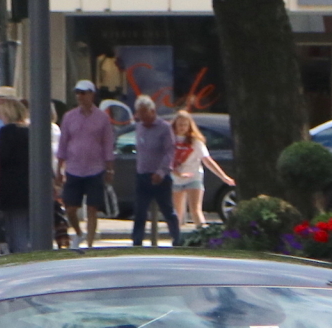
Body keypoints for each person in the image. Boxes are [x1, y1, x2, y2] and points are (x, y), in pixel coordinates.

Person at [54, 81, 117, 250]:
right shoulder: (69, 117)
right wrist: (59, 168)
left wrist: (109, 168)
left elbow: (107, 144)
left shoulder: (102, 118)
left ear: (91, 94)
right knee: (70, 208)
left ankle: (89, 244)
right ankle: (79, 233)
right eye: (78, 93)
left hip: (95, 169)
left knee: (92, 208)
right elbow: (63, 143)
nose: (80, 96)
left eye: (83, 93)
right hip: (74, 168)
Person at [169, 110, 232, 231]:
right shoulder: (170, 140)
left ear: (190, 126)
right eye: (180, 124)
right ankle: (176, 240)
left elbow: (207, 160)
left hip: (194, 177)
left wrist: (224, 177)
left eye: (185, 125)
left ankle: (203, 236)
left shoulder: (195, 141)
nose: (182, 127)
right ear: (175, 125)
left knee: (195, 209)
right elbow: (165, 160)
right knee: (177, 212)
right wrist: (177, 173)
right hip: (176, 178)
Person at [128, 98, 178, 246]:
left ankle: (177, 239)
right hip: (142, 174)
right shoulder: (139, 127)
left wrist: (161, 172)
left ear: (153, 111)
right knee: (140, 211)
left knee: (167, 210)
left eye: (145, 114)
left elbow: (170, 152)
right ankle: (137, 242)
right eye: (140, 114)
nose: (142, 118)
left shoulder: (164, 128)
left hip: (160, 177)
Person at [0, 97, 35, 255]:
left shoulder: (6, 132)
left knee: (14, 230)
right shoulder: (30, 131)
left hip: (11, 186)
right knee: (26, 228)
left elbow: (2, 159)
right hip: (30, 185)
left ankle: (20, 260)